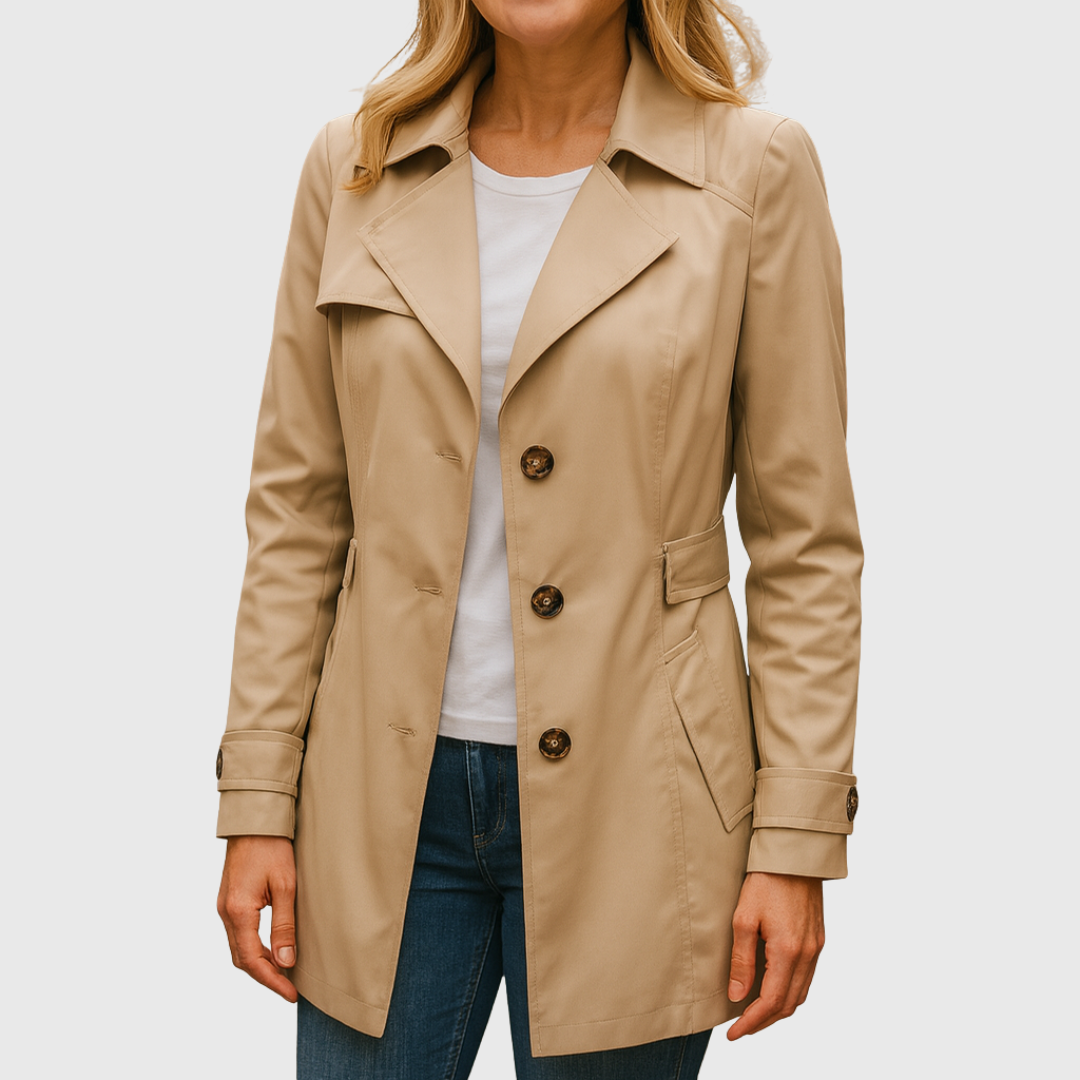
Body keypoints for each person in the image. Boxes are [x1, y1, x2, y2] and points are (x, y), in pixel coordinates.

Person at [215, 1, 863, 1077]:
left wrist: (796, 839)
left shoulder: (755, 169)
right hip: (380, 802)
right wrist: (257, 797)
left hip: (642, 798)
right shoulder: (355, 166)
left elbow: (805, 543)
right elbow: (297, 512)